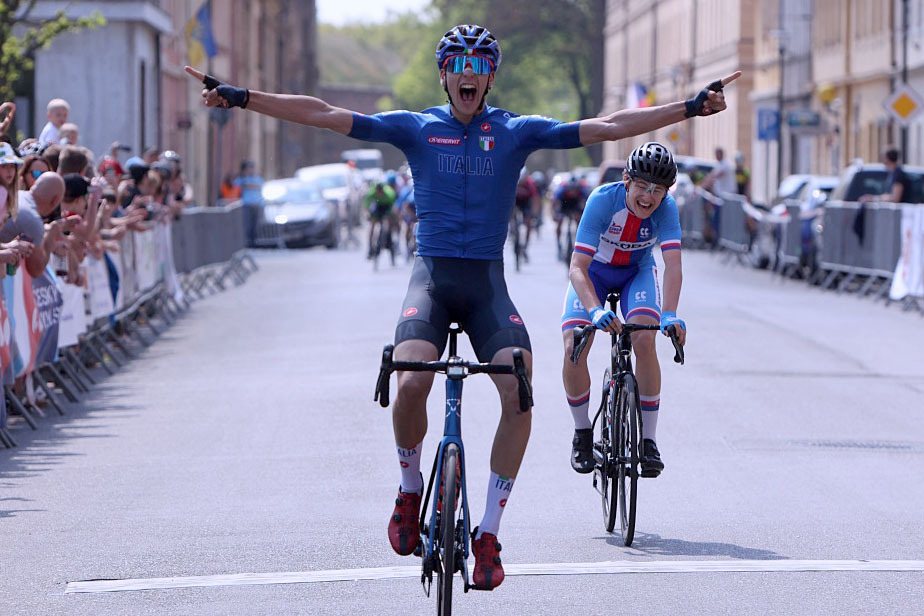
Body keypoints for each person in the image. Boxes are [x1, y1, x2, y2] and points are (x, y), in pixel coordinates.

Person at [184, 24, 736, 590]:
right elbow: (324, 112)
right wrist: (242, 96)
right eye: (458, 64)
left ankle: (489, 533)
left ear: (490, 77)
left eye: (479, 65)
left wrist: (689, 108)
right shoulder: (416, 127)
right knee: (410, 381)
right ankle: (408, 489)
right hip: (433, 279)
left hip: (486, 287)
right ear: (445, 75)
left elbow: (610, 126)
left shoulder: (516, 132)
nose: (468, 73)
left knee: (520, 391)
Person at [562, 142, 687, 480]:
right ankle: (582, 433)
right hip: (594, 274)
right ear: (627, 180)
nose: (649, 197)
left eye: (658, 190)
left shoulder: (667, 209)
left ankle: (648, 441)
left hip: (637, 273)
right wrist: (593, 310)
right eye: (643, 187)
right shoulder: (603, 200)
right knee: (575, 346)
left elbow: (672, 264)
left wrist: (670, 313)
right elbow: (577, 267)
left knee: (645, 341)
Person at [554, 173, 590, 258]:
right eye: (571, 190)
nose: (572, 192)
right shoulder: (562, 189)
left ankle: (578, 240)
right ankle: (559, 243)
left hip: (576, 204)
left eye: (574, 190)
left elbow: (589, 203)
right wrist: (555, 214)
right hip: (564, 204)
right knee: (559, 221)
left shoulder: (582, 189)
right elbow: (554, 201)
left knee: (579, 220)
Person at [364, 181, 397, 258]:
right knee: (372, 224)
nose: (379, 193)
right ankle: (370, 246)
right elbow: (366, 205)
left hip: (387, 206)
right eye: (377, 191)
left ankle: (389, 238)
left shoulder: (389, 194)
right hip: (377, 206)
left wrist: (392, 217)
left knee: (389, 222)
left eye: (380, 191)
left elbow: (393, 208)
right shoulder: (371, 193)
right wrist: (368, 214)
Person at [234, 161, 263, 246]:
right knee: (247, 225)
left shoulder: (258, 178)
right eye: (249, 168)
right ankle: (246, 242)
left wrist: (247, 185)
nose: (251, 170)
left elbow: (259, 185)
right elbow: (235, 185)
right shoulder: (241, 179)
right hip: (246, 205)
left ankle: (254, 242)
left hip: (256, 205)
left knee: (255, 225)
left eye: (252, 168)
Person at [513, 168, 539, 260]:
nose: (520, 184)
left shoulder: (530, 184)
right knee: (511, 214)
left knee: (528, 223)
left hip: (526, 203)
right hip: (514, 202)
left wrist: (534, 214)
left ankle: (525, 246)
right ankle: (513, 229)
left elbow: (535, 200)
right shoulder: (512, 181)